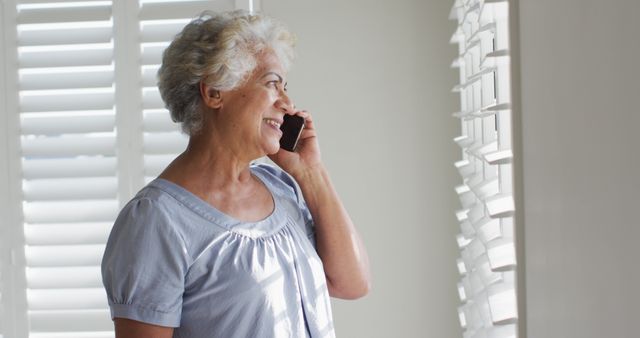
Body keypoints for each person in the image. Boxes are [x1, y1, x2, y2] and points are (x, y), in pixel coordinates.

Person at [101, 10, 371, 338]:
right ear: (214, 92)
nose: (287, 102)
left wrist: (311, 174)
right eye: (272, 84)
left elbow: (351, 283)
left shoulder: (283, 188)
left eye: (286, 87)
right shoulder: (156, 222)